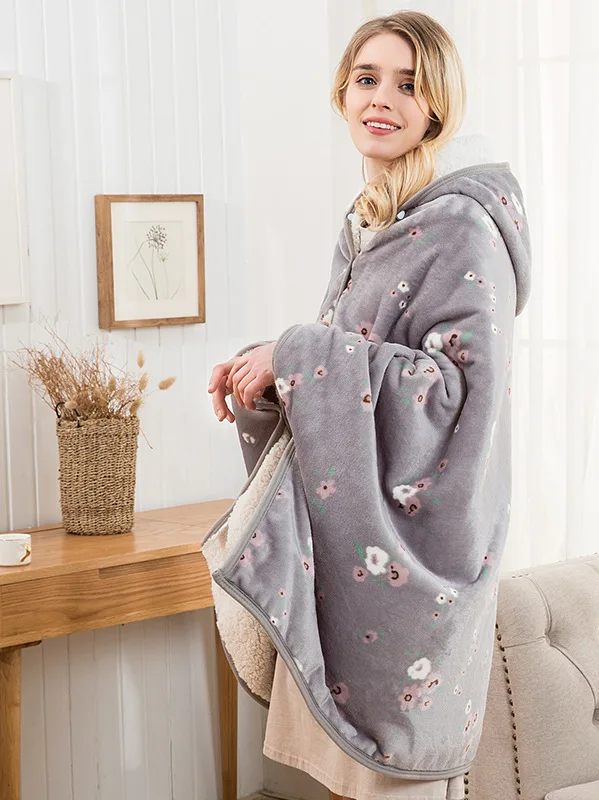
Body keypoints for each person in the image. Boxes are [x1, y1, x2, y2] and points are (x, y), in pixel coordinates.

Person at [207, 11, 531, 800]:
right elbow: (354, 350)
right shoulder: (373, 221)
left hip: (412, 570)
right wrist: (270, 368)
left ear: (439, 106)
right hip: (352, 555)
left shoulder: (461, 227)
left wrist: (298, 355)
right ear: (341, 94)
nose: (382, 98)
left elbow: (458, 398)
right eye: (366, 78)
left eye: (408, 84)